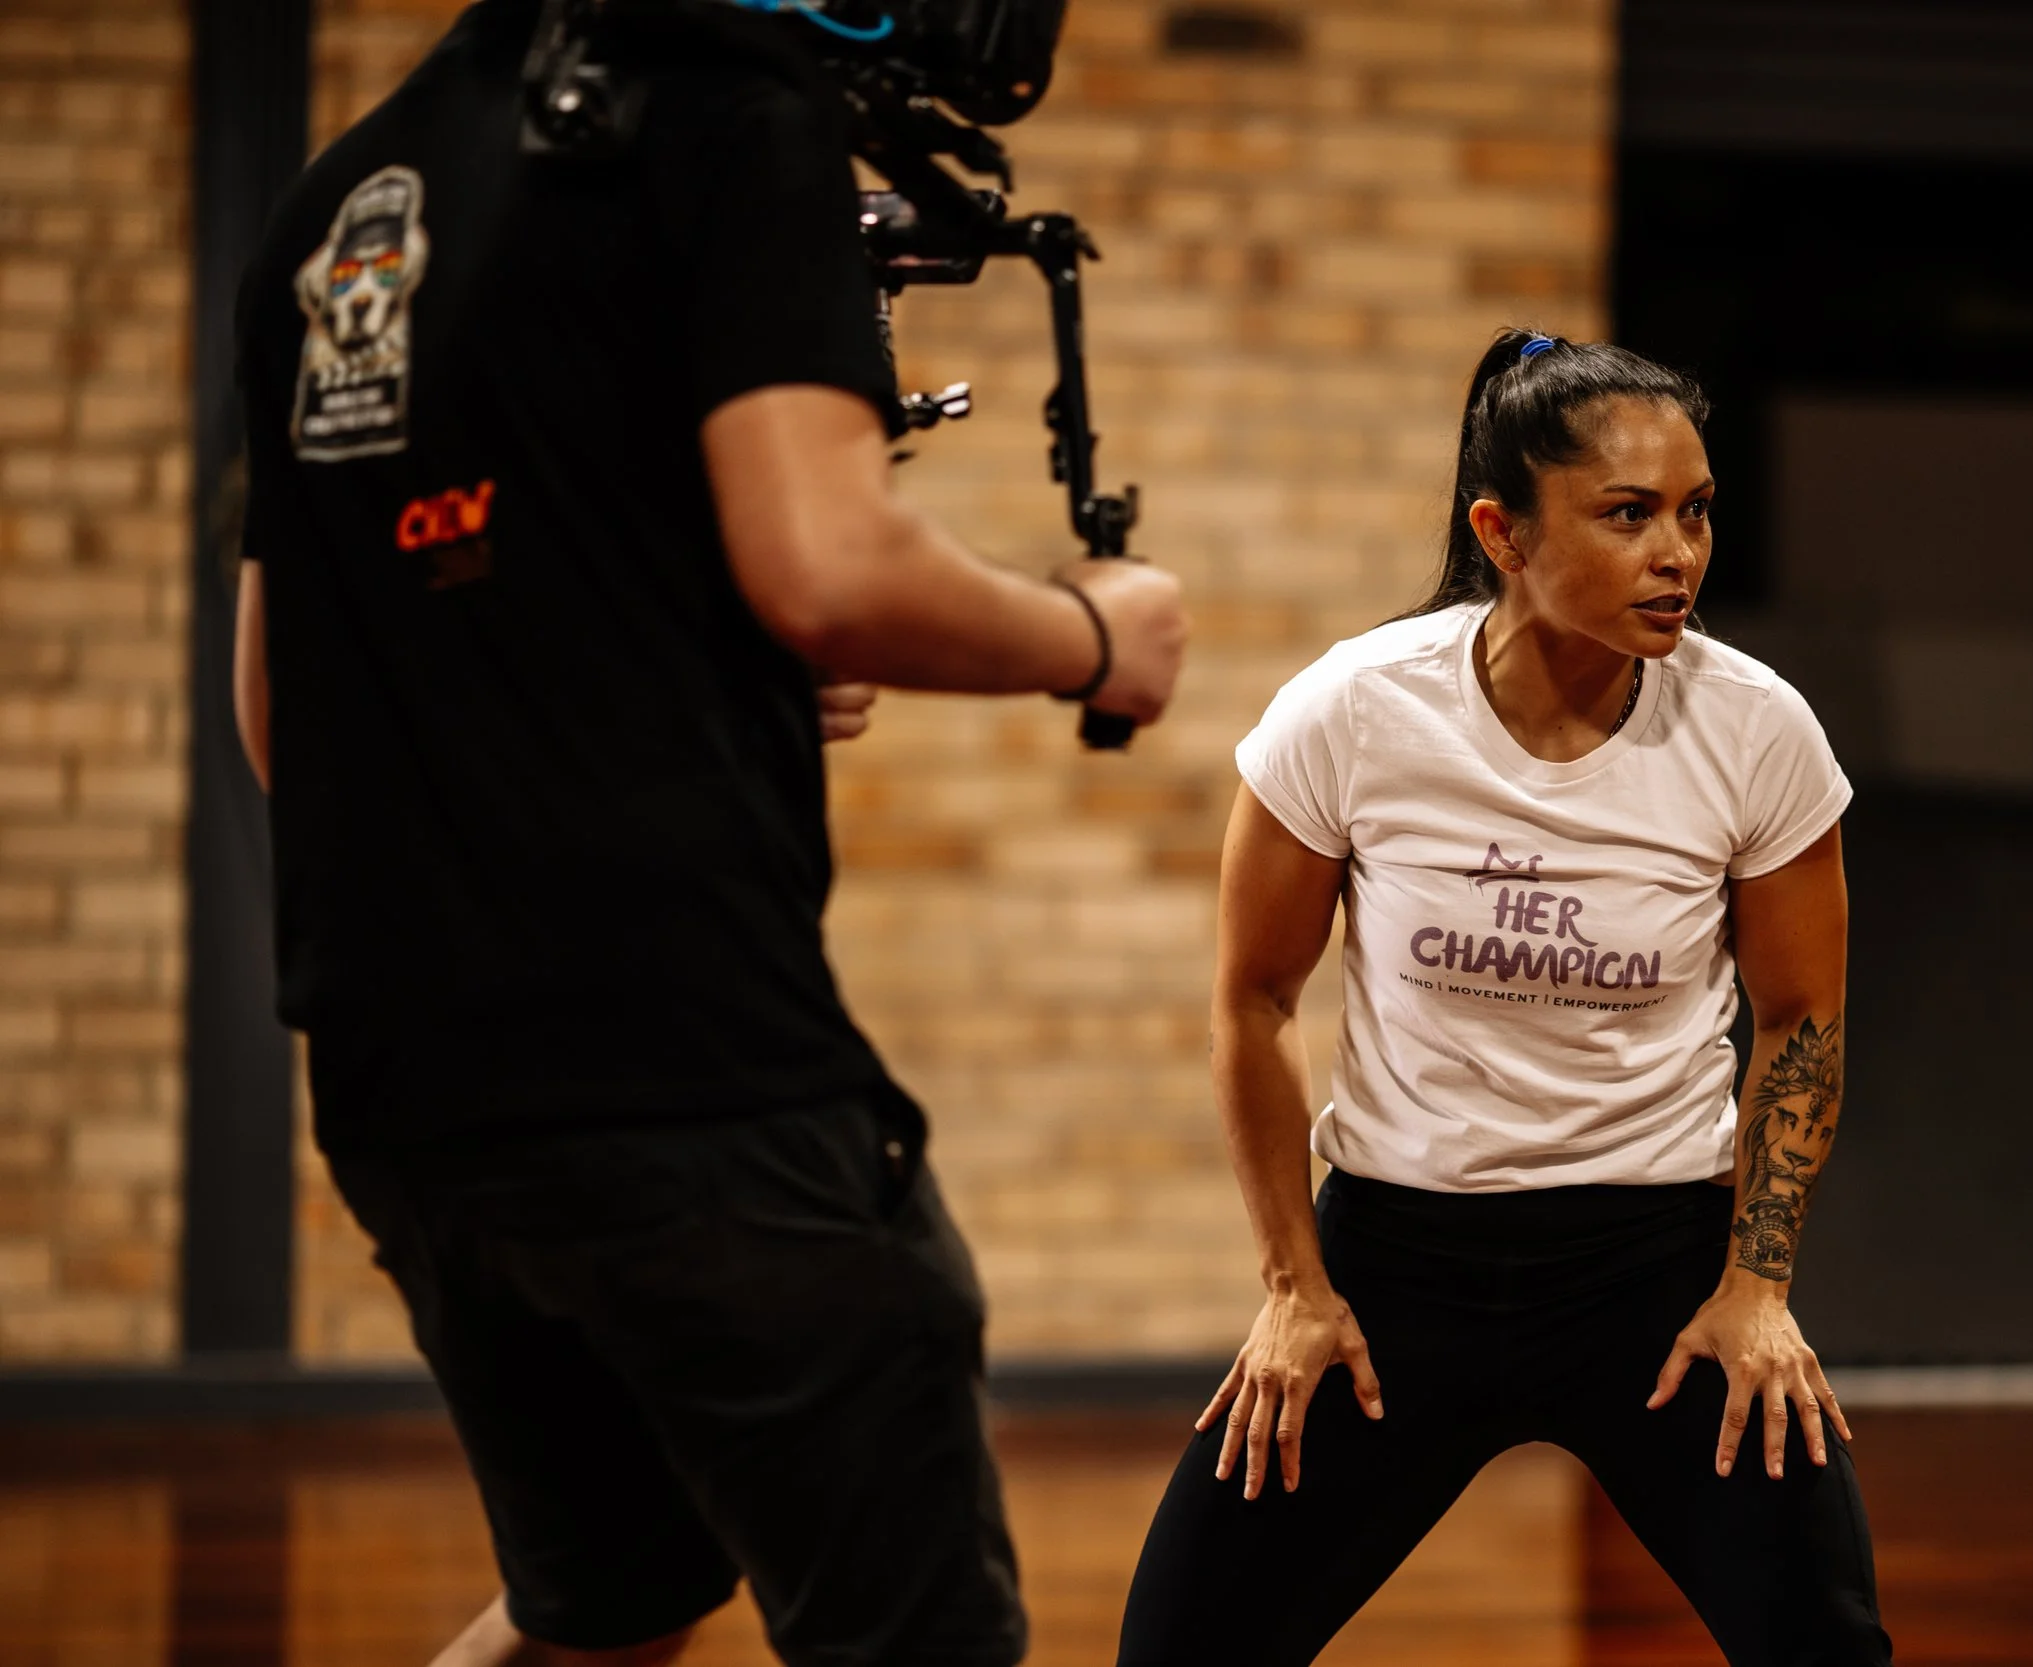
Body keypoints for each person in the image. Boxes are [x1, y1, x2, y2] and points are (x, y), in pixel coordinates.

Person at [229, 3, 1186, 1663]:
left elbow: (280, 710)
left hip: (412, 1101)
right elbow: (827, 565)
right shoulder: (731, 114)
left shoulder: (335, 201)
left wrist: (672, 673)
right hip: (688, 1078)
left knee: (604, 1615)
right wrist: (1093, 634)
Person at [1114, 330, 1890, 1667]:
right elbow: (1250, 1001)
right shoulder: (1355, 712)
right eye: (1631, 513)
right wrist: (1294, 1285)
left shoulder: (1757, 729)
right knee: (1180, 1648)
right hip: (1398, 1271)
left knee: (1827, 1645)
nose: (1680, 554)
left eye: (1697, 512)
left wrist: (1757, 1284)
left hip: (1656, 1272)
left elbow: (1801, 1022)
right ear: (1505, 530)